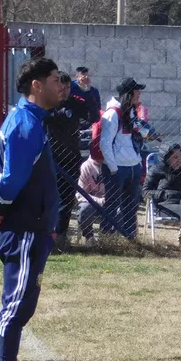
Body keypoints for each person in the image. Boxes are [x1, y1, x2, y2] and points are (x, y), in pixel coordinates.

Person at [0, 57, 63, 361]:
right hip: (25, 229)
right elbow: (10, 182)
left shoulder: (32, 121)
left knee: (22, 305)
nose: (61, 86)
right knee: (16, 306)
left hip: (33, 227)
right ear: (36, 86)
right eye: (55, 80)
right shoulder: (25, 123)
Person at [45, 72, 93, 248]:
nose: (64, 91)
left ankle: (60, 237)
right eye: (61, 87)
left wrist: (86, 91)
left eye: (67, 88)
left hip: (71, 157)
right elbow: (45, 120)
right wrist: (60, 113)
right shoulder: (48, 104)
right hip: (51, 158)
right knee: (49, 199)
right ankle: (46, 235)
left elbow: (93, 115)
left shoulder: (75, 103)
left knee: (66, 200)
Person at [99, 77, 145, 240]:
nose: (139, 94)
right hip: (117, 168)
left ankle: (129, 238)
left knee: (131, 206)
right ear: (129, 93)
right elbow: (105, 143)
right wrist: (113, 168)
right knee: (112, 205)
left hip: (133, 166)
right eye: (136, 91)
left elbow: (136, 134)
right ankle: (106, 239)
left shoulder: (131, 111)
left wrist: (137, 160)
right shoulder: (113, 114)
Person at [76, 156, 105, 245]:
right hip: (90, 201)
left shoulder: (112, 165)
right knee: (84, 210)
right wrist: (99, 200)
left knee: (119, 211)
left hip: (109, 200)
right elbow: (81, 194)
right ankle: (89, 237)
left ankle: (106, 239)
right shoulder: (86, 166)